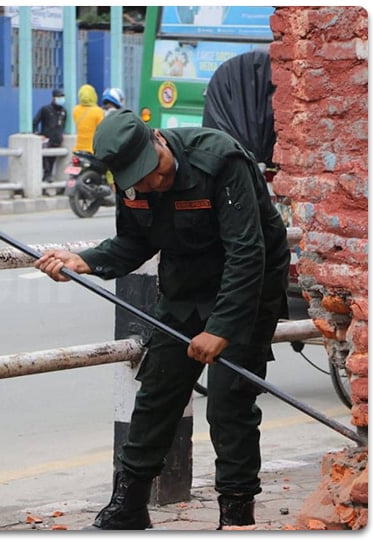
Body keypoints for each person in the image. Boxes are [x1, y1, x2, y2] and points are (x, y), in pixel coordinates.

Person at [34, 112, 289, 530]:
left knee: (229, 403)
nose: (151, 184)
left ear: (159, 140)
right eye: (138, 179)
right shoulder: (132, 184)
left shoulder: (221, 161)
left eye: (152, 172)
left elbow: (248, 253)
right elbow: (133, 242)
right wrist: (85, 261)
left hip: (248, 290)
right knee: (157, 391)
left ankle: (237, 515)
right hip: (185, 287)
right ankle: (128, 506)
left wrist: (220, 329)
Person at [33, 88, 68, 181]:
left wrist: (62, 134)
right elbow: (35, 122)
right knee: (46, 160)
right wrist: (38, 134)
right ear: (53, 98)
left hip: (57, 140)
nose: (61, 99)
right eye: (59, 97)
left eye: (62, 97)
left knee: (52, 161)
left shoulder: (63, 111)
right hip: (47, 139)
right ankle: (47, 176)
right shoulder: (46, 109)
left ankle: (47, 178)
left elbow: (63, 124)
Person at [72, 84, 104, 155]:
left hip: (78, 149)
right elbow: (101, 130)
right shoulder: (98, 111)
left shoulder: (75, 110)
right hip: (92, 150)